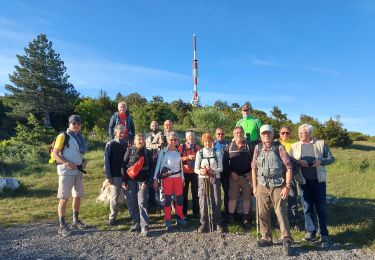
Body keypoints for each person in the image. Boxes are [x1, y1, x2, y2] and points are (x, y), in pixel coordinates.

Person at [289, 124, 334, 247]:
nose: (300, 135)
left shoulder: (321, 144)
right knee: (307, 207)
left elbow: (331, 158)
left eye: (303, 133)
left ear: (310, 133)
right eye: (299, 133)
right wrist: (299, 162)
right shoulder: (294, 146)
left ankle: (323, 234)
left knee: (321, 207)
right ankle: (310, 232)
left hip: (319, 181)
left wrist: (321, 161)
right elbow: (289, 161)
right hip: (303, 181)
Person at [251, 124, 293, 256]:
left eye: (268, 133)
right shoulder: (257, 148)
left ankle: (286, 239)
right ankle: (266, 238)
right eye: (263, 133)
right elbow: (253, 168)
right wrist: (255, 186)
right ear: (260, 135)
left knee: (280, 211)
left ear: (272, 134)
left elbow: (289, 168)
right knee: (262, 212)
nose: (266, 136)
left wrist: (287, 186)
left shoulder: (279, 147)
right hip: (262, 184)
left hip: (278, 184)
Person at [52, 115, 88, 237]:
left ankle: (75, 220)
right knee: (64, 198)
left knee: (77, 196)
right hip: (66, 172)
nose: (76, 125)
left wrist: (83, 161)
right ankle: (62, 225)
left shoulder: (79, 137)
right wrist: (66, 163)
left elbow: (77, 153)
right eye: (74, 123)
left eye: (78, 123)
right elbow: (55, 154)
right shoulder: (63, 136)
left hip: (77, 171)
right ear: (69, 124)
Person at [153, 131, 187, 231]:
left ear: (177, 140)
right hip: (167, 179)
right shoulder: (163, 152)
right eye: (171, 140)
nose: (173, 141)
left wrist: (183, 178)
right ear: (167, 140)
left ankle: (179, 218)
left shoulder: (178, 151)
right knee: (167, 200)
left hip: (177, 178)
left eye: (175, 140)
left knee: (180, 199)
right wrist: (155, 179)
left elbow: (180, 167)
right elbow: (158, 166)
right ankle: (167, 220)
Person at [123, 133, 152, 236]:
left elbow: (151, 169)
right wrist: (124, 181)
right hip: (130, 181)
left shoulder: (147, 152)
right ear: (134, 141)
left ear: (144, 141)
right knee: (132, 202)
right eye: (138, 139)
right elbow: (123, 166)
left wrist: (146, 182)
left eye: (142, 139)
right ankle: (137, 223)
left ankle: (144, 226)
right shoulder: (129, 151)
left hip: (142, 182)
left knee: (142, 203)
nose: (140, 141)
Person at [194, 133, 223, 232]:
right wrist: (201, 171)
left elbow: (221, 168)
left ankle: (217, 223)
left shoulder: (217, 152)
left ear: (212, 141)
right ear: (203, 142)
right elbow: (196, 169)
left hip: (215, 178)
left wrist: (213, 171)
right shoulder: (199, 153)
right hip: (203, 179)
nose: (207, 143)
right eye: (205, 141)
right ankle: (204, 223)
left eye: (209, 141)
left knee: (216, 200)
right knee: (203, 201)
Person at [227, 126, 253, 226]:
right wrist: (231, 173)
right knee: (233, 198)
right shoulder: (229, 146)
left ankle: (245, 218)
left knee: (246, 198)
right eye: (237, 132)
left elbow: (254, 162)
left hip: (246, 177)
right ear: (233, 134)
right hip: (233, 177)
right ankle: (231, 217)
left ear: (243, 134)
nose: (239, 134)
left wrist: (250, 173)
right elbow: (225, 163)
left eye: (241, 132)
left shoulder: (249, 146)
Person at [104, 125, 128, 226]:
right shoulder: (110, 144)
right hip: (115, 175)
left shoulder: (127, 144)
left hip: (127, 175)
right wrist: (109, 176)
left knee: (129, 196)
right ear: (115, 133)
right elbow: (106, 161)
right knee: (114, 197)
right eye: (120, 132)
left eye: (123, 132)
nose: (122, 134)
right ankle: (112, 217)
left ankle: (132, 214)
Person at [278, 126, 301, 231]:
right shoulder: (275, 144)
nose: (285, 135)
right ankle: (280, 221)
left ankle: (294, 221)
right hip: (277, 175)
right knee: (278, 199)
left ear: (290, 133)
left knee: (292, 197)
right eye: (283, 133)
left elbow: (297, 160)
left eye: (287, 133)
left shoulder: (295, 144)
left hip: (289, 174)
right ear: (279, 134)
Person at [179, 130, 200, 218]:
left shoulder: (197, 147)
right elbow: (177, 158)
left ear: (194, 137)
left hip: (195, 173)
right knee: (184, 194)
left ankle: (196, 212)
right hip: (185, 173)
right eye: (189, 136)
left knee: (196, 193)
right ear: (186, 138)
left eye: (192, 136)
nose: (191, 138)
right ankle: (184, 213)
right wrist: (187, 157)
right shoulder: (181, 147)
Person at [145, 121, 163, 209]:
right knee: (150, 181)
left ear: (158, 126)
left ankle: (159, 201)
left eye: (156, 125)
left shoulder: (161, 135)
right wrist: (156, 145)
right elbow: (146, 145)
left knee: (159, 181)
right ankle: (151, 201)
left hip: (158, 161)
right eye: (153, 125)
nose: (154, 126)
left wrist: (152, 145)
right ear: (150, 126)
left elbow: (161, 145)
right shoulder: (146, 136)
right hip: (148, 161)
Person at [214, 127, 230, 221]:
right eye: (218, 134)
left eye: (222, 134)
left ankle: (227, 212)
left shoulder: (228, 144)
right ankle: (217, 212)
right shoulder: (212, 144)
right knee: (216, 193)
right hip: (216, 172)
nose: (220, 135)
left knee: (227, 193)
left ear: (225, 134)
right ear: (215, 134)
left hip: (226, 172)